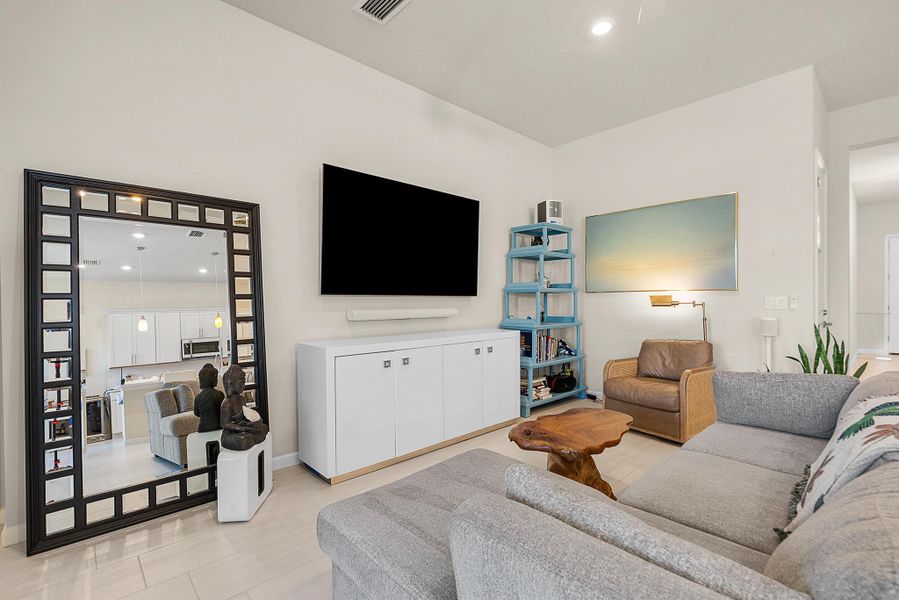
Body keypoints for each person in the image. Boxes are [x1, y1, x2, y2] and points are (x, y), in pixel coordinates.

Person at [220, 364, 268, 451]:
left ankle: (251, 438)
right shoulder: (227, 404)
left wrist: (252, 423)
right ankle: (250, 439)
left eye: (244, 383)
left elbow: (246, 415)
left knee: (264, 427)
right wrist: (241, 428)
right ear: (231, 384)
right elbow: (225, 424)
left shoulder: (242, 399)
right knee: (244, 440)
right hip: (232, 432)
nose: (244, 386)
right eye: (241, 384)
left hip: (244, 427)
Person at [193, 363, 225, 432]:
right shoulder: (220, 394)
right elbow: (223, 410)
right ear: (213, 379)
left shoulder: (198, 397)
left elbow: (196, 413)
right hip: (217, 426)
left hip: (202, 428)